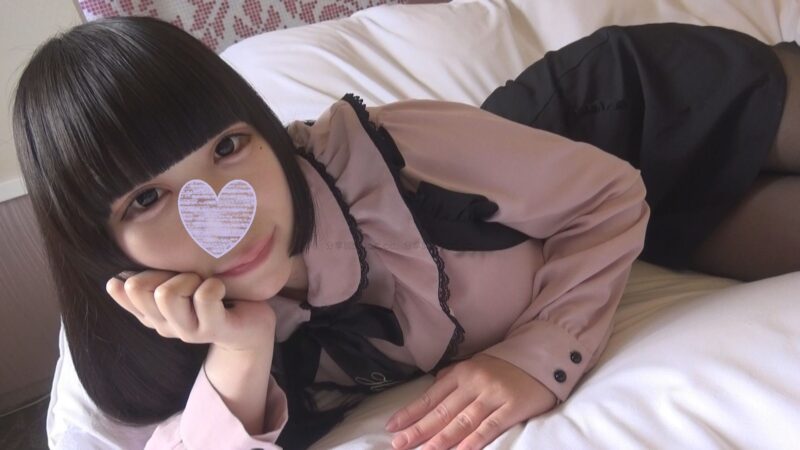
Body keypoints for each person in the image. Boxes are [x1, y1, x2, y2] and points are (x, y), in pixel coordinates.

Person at [9, 16, 794, 450]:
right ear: (102, 243)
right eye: (148, 198)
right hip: (642, 232)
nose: (224, 208)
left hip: (620, 115)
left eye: (228, 146)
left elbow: (611, 195)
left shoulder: (391, 156)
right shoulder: (165, 347)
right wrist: (241, 348)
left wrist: (538, 355)